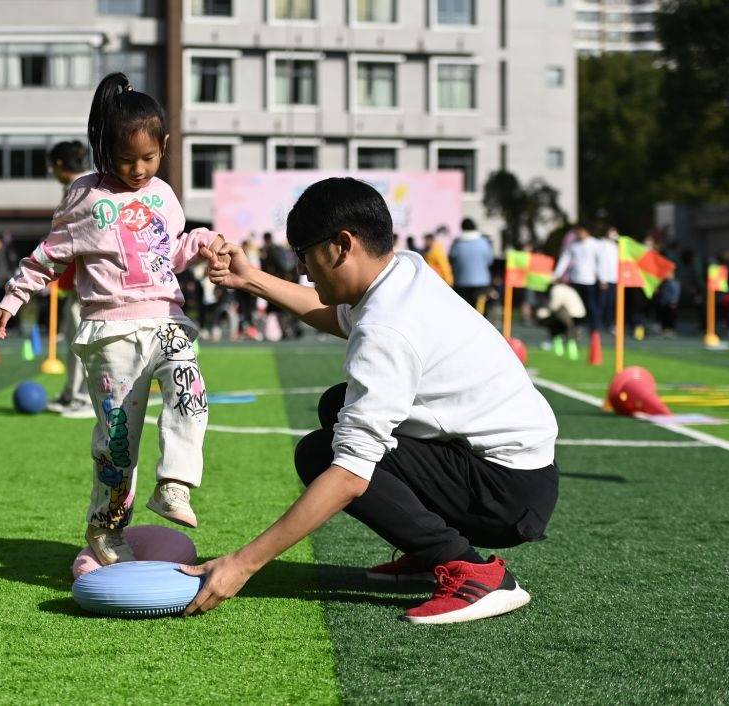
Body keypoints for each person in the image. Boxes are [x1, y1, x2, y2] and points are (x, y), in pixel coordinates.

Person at [185, 178, 559, 624]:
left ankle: (475, 573)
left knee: (322, 454)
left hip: (506, 494)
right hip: (517, 474)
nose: (303, 270)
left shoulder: (388, 327)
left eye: (304, 254)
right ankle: (430, 551)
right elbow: (334, 314)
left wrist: (242, 563)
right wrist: (253, 279)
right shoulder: (403, 272)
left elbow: (350, 476)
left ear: (342, 245)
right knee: (338, 404)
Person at [0, 72, 225, 565]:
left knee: (191, 390)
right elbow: (48, 256)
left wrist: (201, 242)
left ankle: (175, 484)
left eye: (149, 157)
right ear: (103, 151)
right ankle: (106, 528)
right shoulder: (85, 198)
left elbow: (170, 254)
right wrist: (13, 299)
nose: (138, 170)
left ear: (163, 146)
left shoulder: (164, 194)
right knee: (118, 442)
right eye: (125, 160)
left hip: (166, 319)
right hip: (111, 334)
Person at [44, 140, 96, 419]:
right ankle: (71, 394)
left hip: (87, 280)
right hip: (77, 280)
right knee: (73, 340)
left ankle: (85, 398)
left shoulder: (81, 190)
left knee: (84, 343)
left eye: (52, 165)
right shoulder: (83, 187)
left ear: (60, 165)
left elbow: (78, 238)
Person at [554, 225, 601, 335]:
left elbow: (600, 262)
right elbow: (564, 259)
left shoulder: (595, 244)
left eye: (581, 231)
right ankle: (576, 328)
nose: (579, 234)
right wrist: (557, 274)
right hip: (575, 280)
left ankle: (594, 329)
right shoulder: (574, 246)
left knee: (591, 306)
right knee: (575, 307)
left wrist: (601, 277)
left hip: (590, 281)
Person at [447, 218, 494, 312]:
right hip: (481, 283)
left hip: (461, 282)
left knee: (464, 312)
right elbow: (489, 261)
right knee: (479, 312)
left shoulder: (457, 243)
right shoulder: (483, 242)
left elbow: (451, 259)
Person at [536, 282, 585, 359]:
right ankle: (571, 352)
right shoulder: (566, 288)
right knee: (569, 330)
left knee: (555, 324)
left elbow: (554, 306)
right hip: (579, 313)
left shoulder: (556, 289)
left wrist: (543, 313)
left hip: (571, 313)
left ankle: (559, 349)